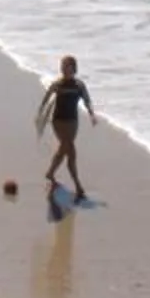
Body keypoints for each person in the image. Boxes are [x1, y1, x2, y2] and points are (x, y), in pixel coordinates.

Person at [35, 55, 97, 201]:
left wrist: (92, 114)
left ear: (74, 68)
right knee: (70, 150)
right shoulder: (57, 84)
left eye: (67, 66)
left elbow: (87, 100)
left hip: (73, 122)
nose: (64, 69)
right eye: (62, 66)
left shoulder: (79, 85)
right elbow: (46, 99)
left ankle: (50, 173)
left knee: (64, 149)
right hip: (58, 121)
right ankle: (78, 186)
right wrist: (40, 115)